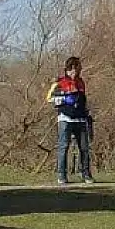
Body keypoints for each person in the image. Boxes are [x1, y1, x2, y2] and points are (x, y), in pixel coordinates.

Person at [46, 56, 94, 184]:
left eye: (77, 69)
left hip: (80, 119)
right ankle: (61, 175)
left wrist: (86, 112)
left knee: (84, 148)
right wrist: (65, 99)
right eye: (72, 70)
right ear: (67, 70)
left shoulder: (81, 82)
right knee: (63, 146)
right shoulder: (59, 83)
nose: (74, 72)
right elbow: (49, 98)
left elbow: (83, 99)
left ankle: (86, 174)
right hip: (65, 119)